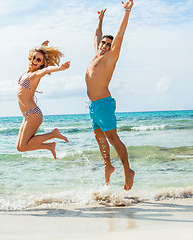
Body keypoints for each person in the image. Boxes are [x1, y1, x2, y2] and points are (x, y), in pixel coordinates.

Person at [85, 0, 135, 190]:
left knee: (113, 138)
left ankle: (128, 171)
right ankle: (108, 165)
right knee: (99, 137)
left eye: (108, 44)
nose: (104, 45)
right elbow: (97, 35)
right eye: (104, 43)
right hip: (93, 106)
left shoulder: (109, 58)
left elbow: (120, 34)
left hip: (104, 104)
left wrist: (127, 11)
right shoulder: (96, 55)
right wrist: (100, 19)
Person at [16, 41, 70, 159]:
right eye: (34, 58)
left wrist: (60, 68)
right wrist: (43, 47)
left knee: (24, 146)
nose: (35, 61)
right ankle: (49, 146)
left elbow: (45, 70)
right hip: (26, 115)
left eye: (38, 60)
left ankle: (53, 134)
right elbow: (38, 58)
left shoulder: (35, 74)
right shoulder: (28, 71)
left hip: (33, 114)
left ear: (42, 64)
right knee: (20, 147)